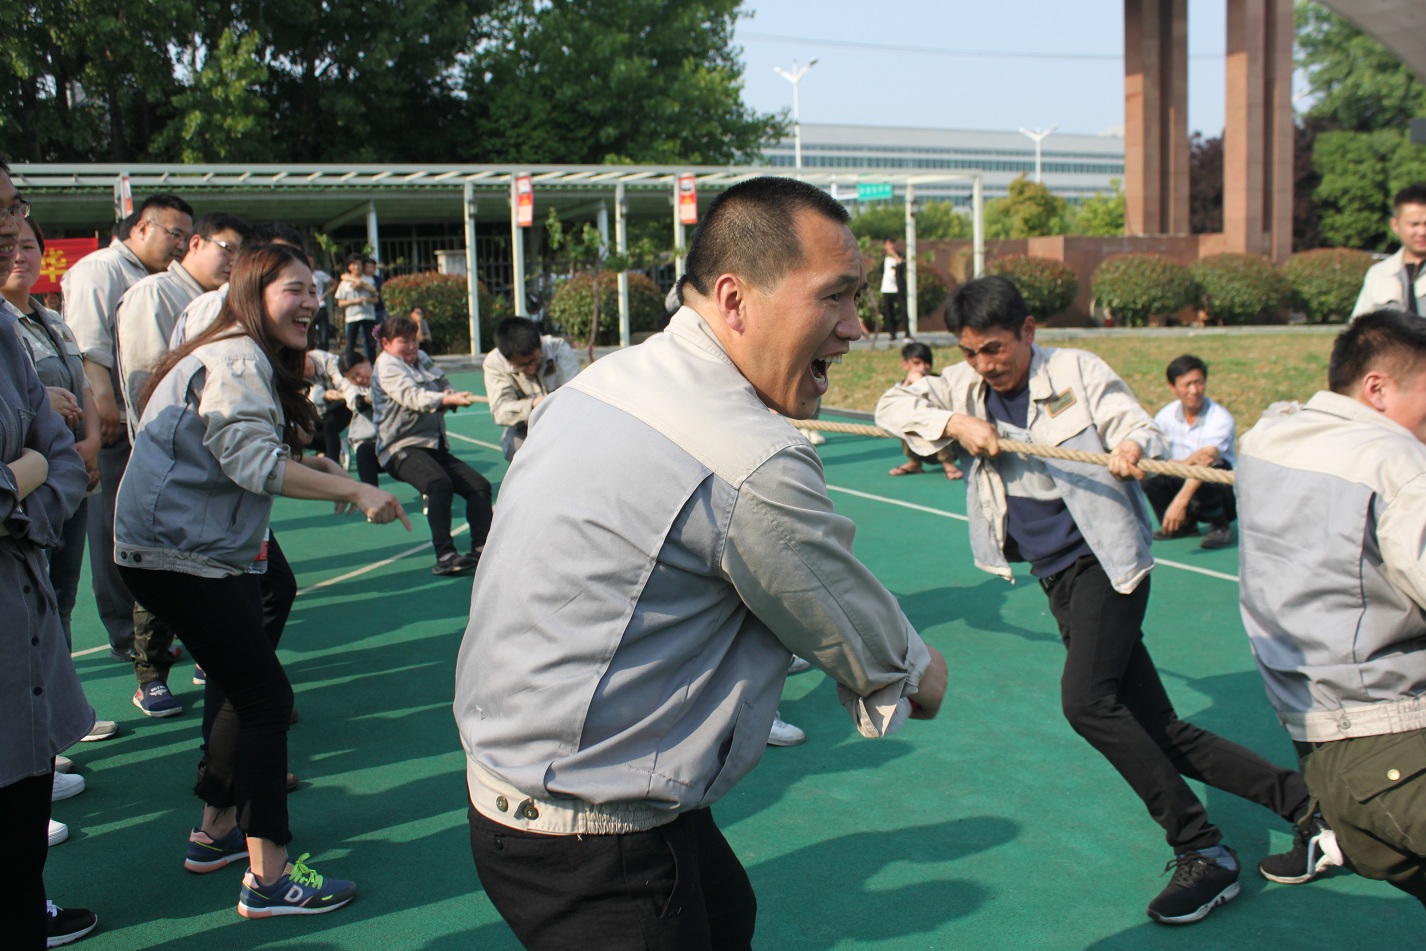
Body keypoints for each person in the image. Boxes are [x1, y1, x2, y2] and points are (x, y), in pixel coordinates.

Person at [453, 176, 948, 951]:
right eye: (836, 296)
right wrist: (919, 671)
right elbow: (858, 633)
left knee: (728, 913)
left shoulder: (605, 380)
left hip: (552, 788)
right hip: (586, 829)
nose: (855, 326)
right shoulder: (748, 455)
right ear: (735, 299)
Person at [875, 275, 1311, 926]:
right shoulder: (964, 387)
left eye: (994, 348)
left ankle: (1202, 848)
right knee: (1161, 729)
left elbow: (1134, 423)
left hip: (1105, 563)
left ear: (1028, 331)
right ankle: (1308, 806)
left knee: (1087, 703)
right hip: (1055, 575)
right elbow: (890, 405)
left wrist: (1131, 446)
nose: (983, 364)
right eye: (969, 351)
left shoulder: (1076, 370)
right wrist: (953, 421)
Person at [114, 242, 409, 920]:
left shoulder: (239, 352)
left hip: (179, 550)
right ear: (252, 292)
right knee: (265, 698)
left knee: (242, 690)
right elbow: (252, 462)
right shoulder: (237, 357)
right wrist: (357, 491)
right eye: (293, 289)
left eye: (313, 289)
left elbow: (246, 445)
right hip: (181, 554)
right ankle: (269, 878)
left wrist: (329, 470)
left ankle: (216, 830)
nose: (310, 302)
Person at [1236, 308, 1426, 905]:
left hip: (1323, 754)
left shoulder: (1264, 441)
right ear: (1377, 388)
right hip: (1395, 739)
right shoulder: (1396, 461)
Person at [0, 161, 98, 950]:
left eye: (13, 208)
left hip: (22, 608)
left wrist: (21, 484)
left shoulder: (10, 329)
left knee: (21, 835)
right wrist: (23, 474)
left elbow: (60, 458)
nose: (11, 229)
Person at [115, 211, 251, 716]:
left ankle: (213, 663)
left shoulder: (220, 299)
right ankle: (150, 675)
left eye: (242, 254)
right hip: (171, 461)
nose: (233, 261)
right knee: (163, 567)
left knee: (217, 572)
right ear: (196, 243)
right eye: (227, 248)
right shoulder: (156, 294)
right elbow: (149, 383)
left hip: (213, 465)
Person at [2, 217, 121, 757]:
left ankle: (60, 714)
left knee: (59, 598)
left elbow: (87, 391)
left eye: (29, 245)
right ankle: (36, 738)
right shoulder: (4, 326)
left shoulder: (54, 321)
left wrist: (89, 445)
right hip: (26, 492)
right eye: (10, 245)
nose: (19, 255)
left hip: (71, 479)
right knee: (26, 604)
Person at [62, 192, 192, 665]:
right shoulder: (101, 270)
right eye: (173, 233)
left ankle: (154, 624)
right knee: (112, 530)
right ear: (140, 228)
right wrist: (104, 406)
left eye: (186, 236)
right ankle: (124, 633)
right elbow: (87, 346)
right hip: (114, 419)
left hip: (147, 421)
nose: (180, 245)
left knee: (144, 525)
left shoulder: (157, 279)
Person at [371, 316, 490, 576]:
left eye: (414, 340)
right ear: (386, 343)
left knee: (479, 487)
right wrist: (446, 400)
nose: (411, 346)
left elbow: (443, 382)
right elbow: (413, 397)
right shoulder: (387, 365)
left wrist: (453, 394)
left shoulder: (421, 357)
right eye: (403, 341)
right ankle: (445, 555)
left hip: (431, 445)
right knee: (438, 484)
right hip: (398, 447)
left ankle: (482, 549)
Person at [1143, 355, 1237, 549]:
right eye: (1187, 385)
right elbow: (1154, 453)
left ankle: (1220, 526)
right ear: (1173, 387)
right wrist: (1176, 466)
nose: (1194, 391)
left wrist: (1180, 500)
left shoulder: (1220, 418)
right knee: (1151, 475)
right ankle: (1183, 525)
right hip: (1183, 480)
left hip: (1220, 492)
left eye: (1199, 383)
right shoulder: (1165, 416)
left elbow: (1207, 458)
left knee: (1213, 467)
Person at [483, 316, 580, 461]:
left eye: (535, 360)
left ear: (540, 343)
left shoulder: (559, 349)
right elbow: (500, 411)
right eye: (522, 365)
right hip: (528, 425)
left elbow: (578, 396)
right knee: (514, 447)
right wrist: (533, 405)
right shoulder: (495, 363)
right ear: (507, 359)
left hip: (566, 420)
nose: (531, 368)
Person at [885, 341, 963, 480]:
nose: (922, 368)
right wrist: (909, 383)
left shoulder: (939, 382)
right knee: (903, 416)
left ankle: (948, 463)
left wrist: (922, 383)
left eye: (927, 363)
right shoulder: (901, 386)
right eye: (917, 363)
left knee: (939, 419)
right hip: (920, 446)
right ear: (905, 364)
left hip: (948, 446)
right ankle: (914, 461)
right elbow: (894, 406)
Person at [1353, 184, 1426, 317]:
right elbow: (1359, 326)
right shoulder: (1379, 274)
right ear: (1395, 225)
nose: (1422, 232)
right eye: (1414, 224)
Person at [338, 349, 380, 486]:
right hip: (372, 440)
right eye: (353, 378)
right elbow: (355, 402)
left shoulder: (386, 372)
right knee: (364, 451)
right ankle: (372, 496)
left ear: (366, 361)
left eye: (358, 373)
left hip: (400, 437)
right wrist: (371, 398)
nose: (358, 379)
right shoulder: (349, 386)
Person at [305, 348, 350, 464]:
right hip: (319, 408)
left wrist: (332, 395)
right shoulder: (295, 374)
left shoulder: (328, 360)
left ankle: (333, 465)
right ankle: (329, 448)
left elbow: (344, 384)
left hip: (344, 403)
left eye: (303, 363)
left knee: (329, 426)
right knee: (302, 430)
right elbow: (311, 398)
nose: (304, 370)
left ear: (306, 354)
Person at [334, 254, 376, 360]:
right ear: (349, 267)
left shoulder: (369, 280)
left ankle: (371, 364)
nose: (356, 267)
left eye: (359, 264)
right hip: (352, 316)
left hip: (368, 315)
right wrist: (353, 301)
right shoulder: (344, 283)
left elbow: (376, 298)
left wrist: (367, 299)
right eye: (353, 264)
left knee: (371, 344)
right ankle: (349, 363)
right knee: (350, 344)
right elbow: (340, 303)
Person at [880, 238, 904, 340]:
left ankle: (907, 333)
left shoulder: (899, 255)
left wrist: (895, 256)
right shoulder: (883, 257)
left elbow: (902, 266)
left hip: (897, 288)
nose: (890, 246)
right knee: (889, 312)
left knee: (902, 311)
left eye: (892, 244)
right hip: (886, 287)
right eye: (888, 244)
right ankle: (892, 333)